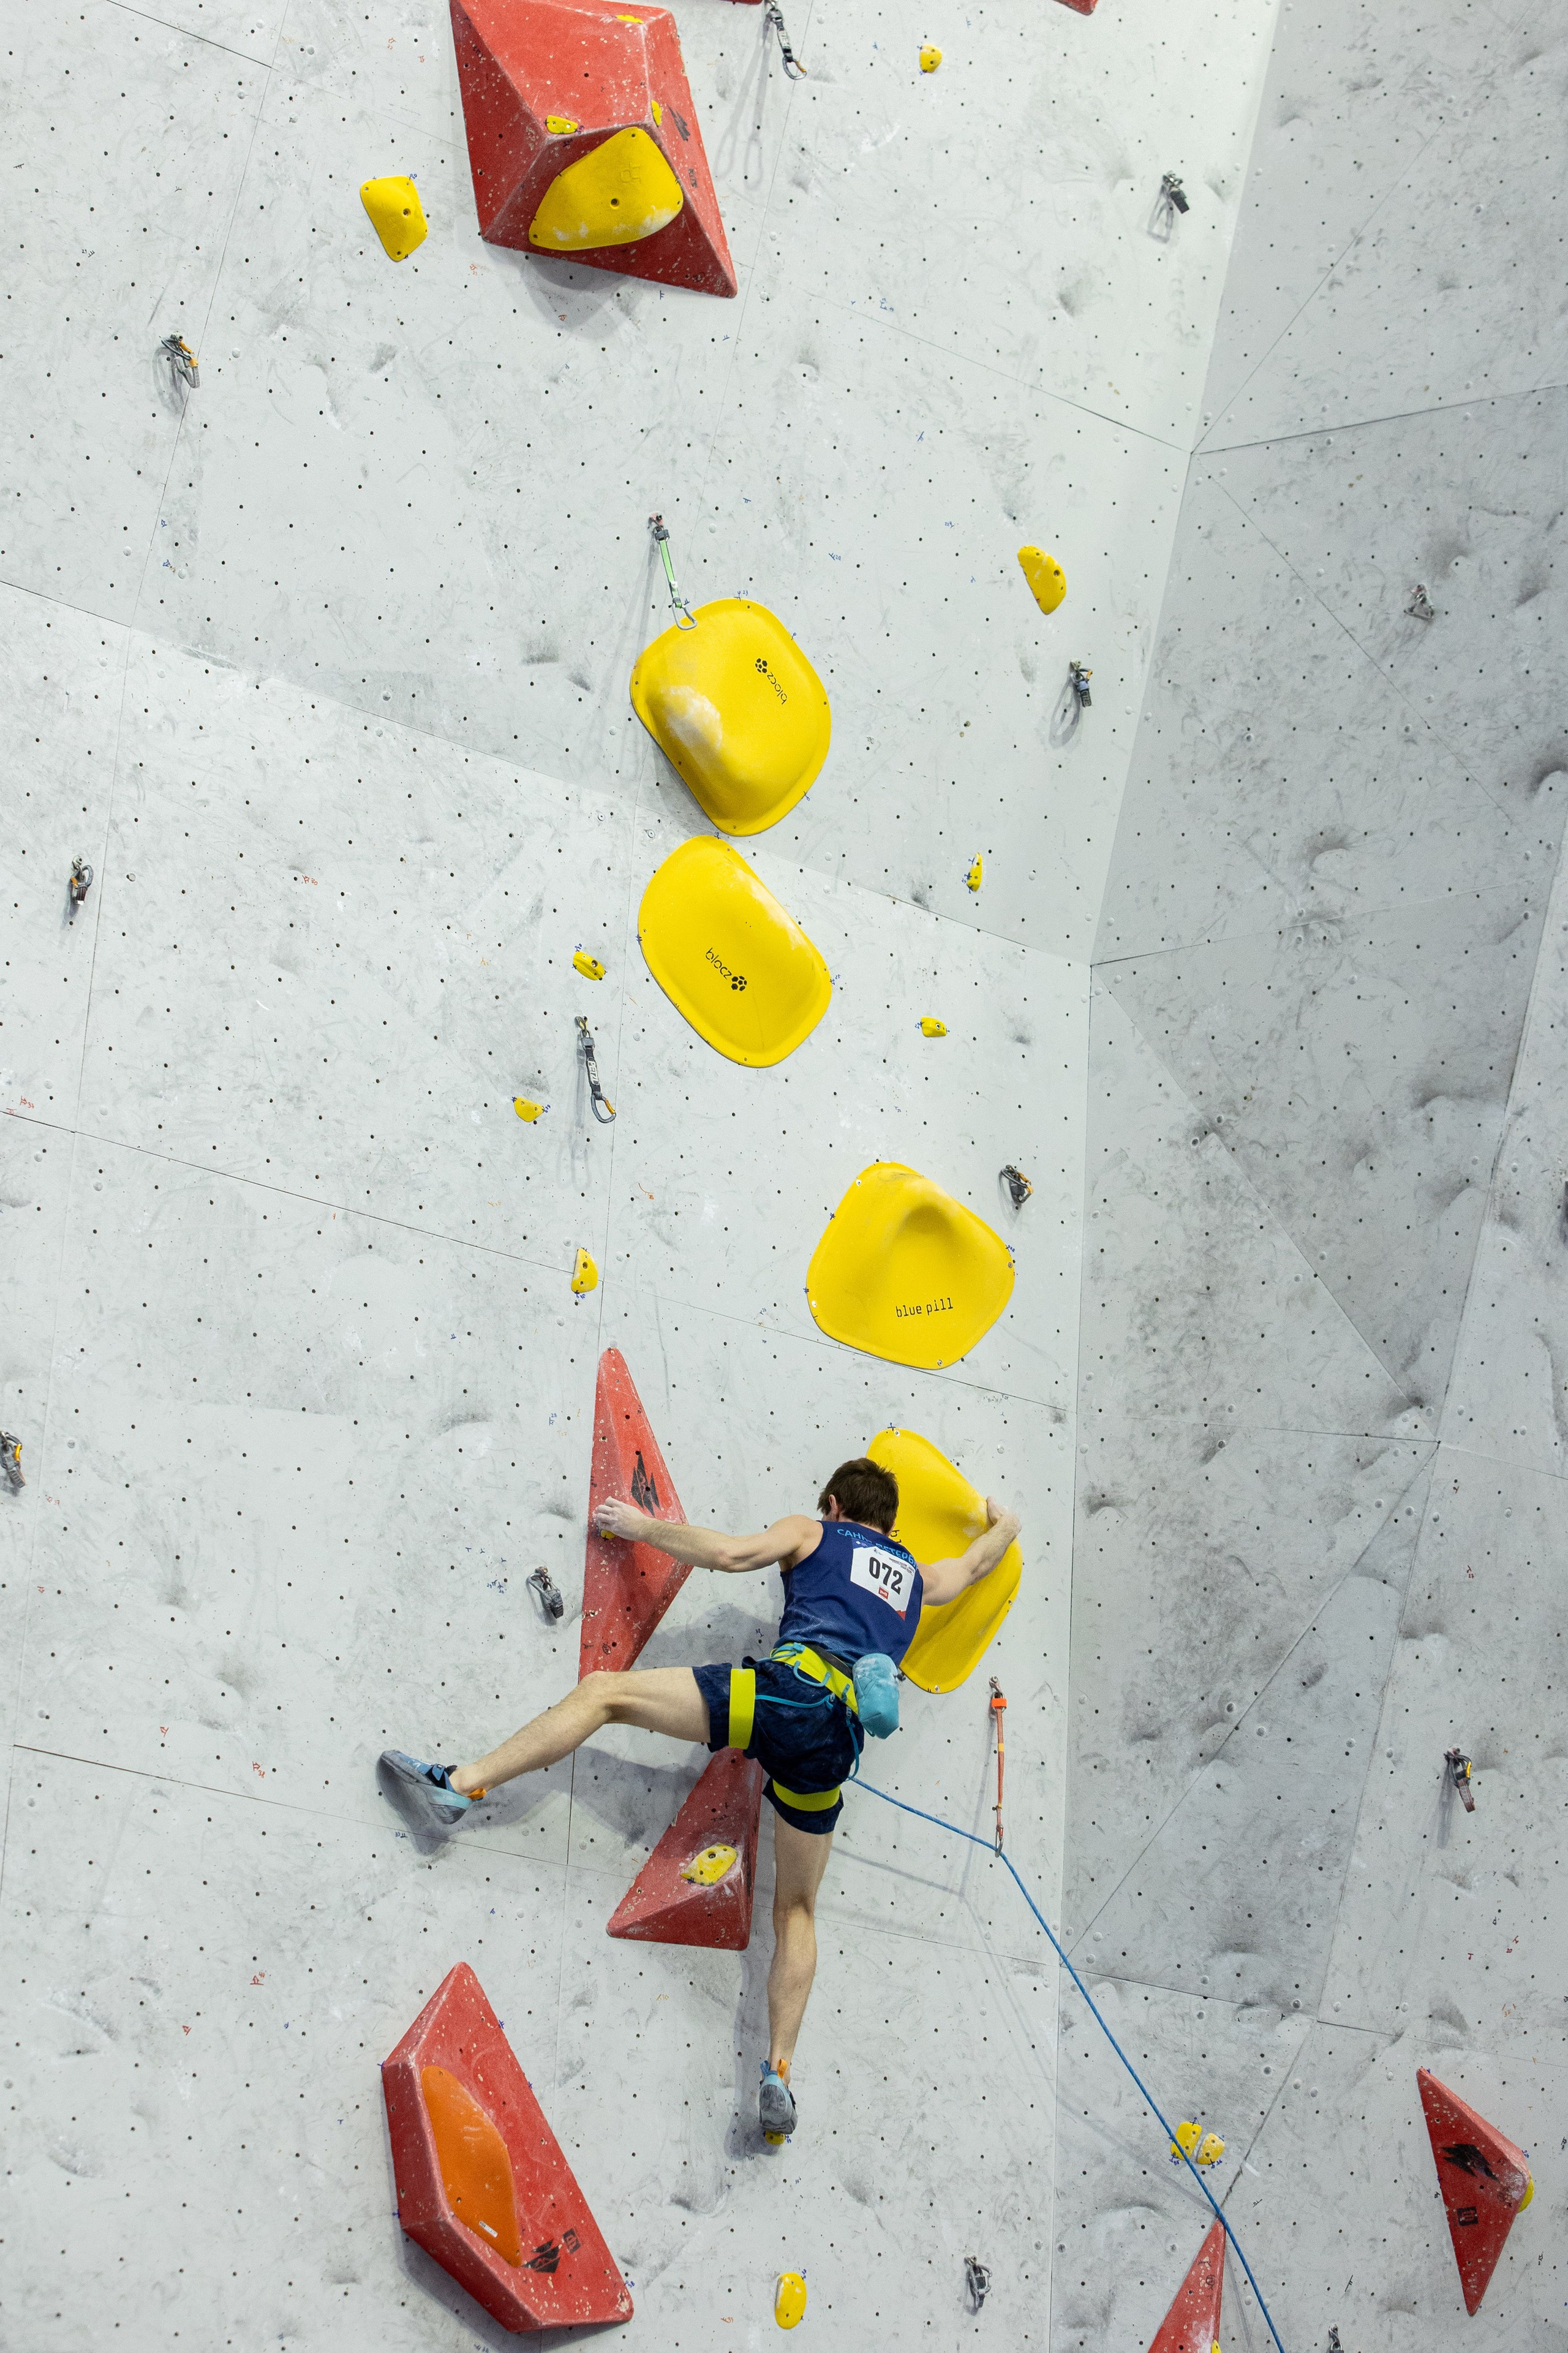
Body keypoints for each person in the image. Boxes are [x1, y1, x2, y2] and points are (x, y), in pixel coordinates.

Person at [381, 1455, 1019, 2142]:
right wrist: (1004, 1522)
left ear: (834, 1505)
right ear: (889, 1524)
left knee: (605, 1696)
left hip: (779, 1696)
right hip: (835, 1746)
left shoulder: (814, 1532)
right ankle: (778, 2070)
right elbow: (978, 1563)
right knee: (798, 1908)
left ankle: (459, 1785)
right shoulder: (918, 1579)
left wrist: (639, 1525)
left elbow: (726, 1553)